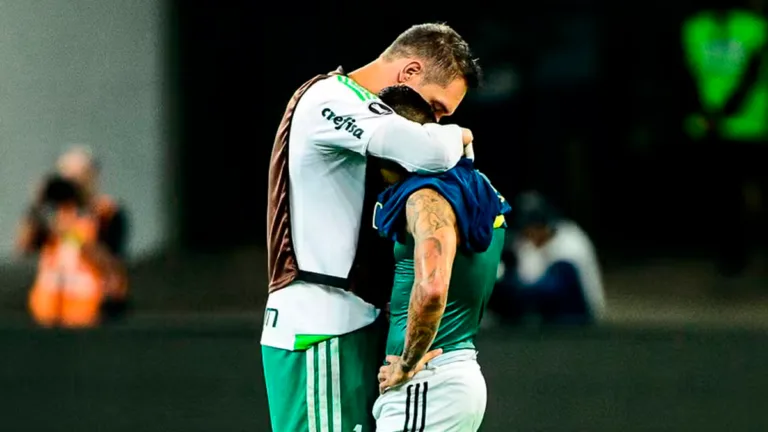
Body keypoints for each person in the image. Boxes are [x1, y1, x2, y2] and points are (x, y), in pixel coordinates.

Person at [262, 23, 482, 432]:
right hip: (322, 327)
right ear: (410, 72)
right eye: (436, 108)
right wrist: (459, 134)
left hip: (352, 323)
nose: (431, 121)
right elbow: (429, 151)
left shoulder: (362, 110)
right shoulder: (329, 98)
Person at [371, 85, 509, 431]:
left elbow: (432, 288)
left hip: (427, 382)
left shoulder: (426, 196)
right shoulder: (475, 187)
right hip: (451, 374)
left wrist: (407, 361)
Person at [17, 145, 129, 327]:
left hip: (90, 315)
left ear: (92, 176)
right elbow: (24, 247)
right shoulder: (53, 212)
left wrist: (71, 235)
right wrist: (37, 205)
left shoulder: (107, 212)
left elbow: (112, 263)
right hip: (47, 314)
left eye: (78, 176)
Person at [493, 192, 605, 325]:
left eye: (534, 227)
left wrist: (506, 285)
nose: (529, 234)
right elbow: (524, 281)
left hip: (582, 318)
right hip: (549, 320)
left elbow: (552, 288)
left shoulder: (571, 240)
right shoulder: (527, 244)